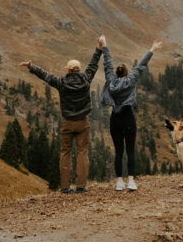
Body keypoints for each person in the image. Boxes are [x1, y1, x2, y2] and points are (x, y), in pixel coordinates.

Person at [20, 36, 103, 193]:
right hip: (82, 122)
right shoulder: (86, 79)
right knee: (82, 152)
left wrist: (31, 67)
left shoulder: (61, 82)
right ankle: (81, 185)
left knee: (65, 152)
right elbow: (93, 65)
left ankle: (65, 187)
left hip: (67, 122)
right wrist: (98, 49)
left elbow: (46, 76)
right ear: (78, 70)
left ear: (68, 70)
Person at [99, 36, 162, 191]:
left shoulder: (111, 80)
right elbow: (141, 65)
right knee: (130, 151)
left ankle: (119, 182)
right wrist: (152, 49)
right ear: (127, 73)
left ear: (116, 73)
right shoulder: (131, 80)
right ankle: (131, 181)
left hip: (115, 119)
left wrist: (105, 45)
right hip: (128, 119)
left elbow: (107, 64)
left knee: (119, 152)